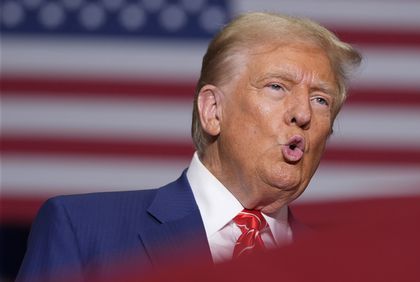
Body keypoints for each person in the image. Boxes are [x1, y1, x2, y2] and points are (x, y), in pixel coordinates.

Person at [16, 12, 361, 281]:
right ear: (213, 111)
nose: (302, 113)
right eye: (276, 87)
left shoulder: (346, 264)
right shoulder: (83, 231)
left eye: (320, 100)